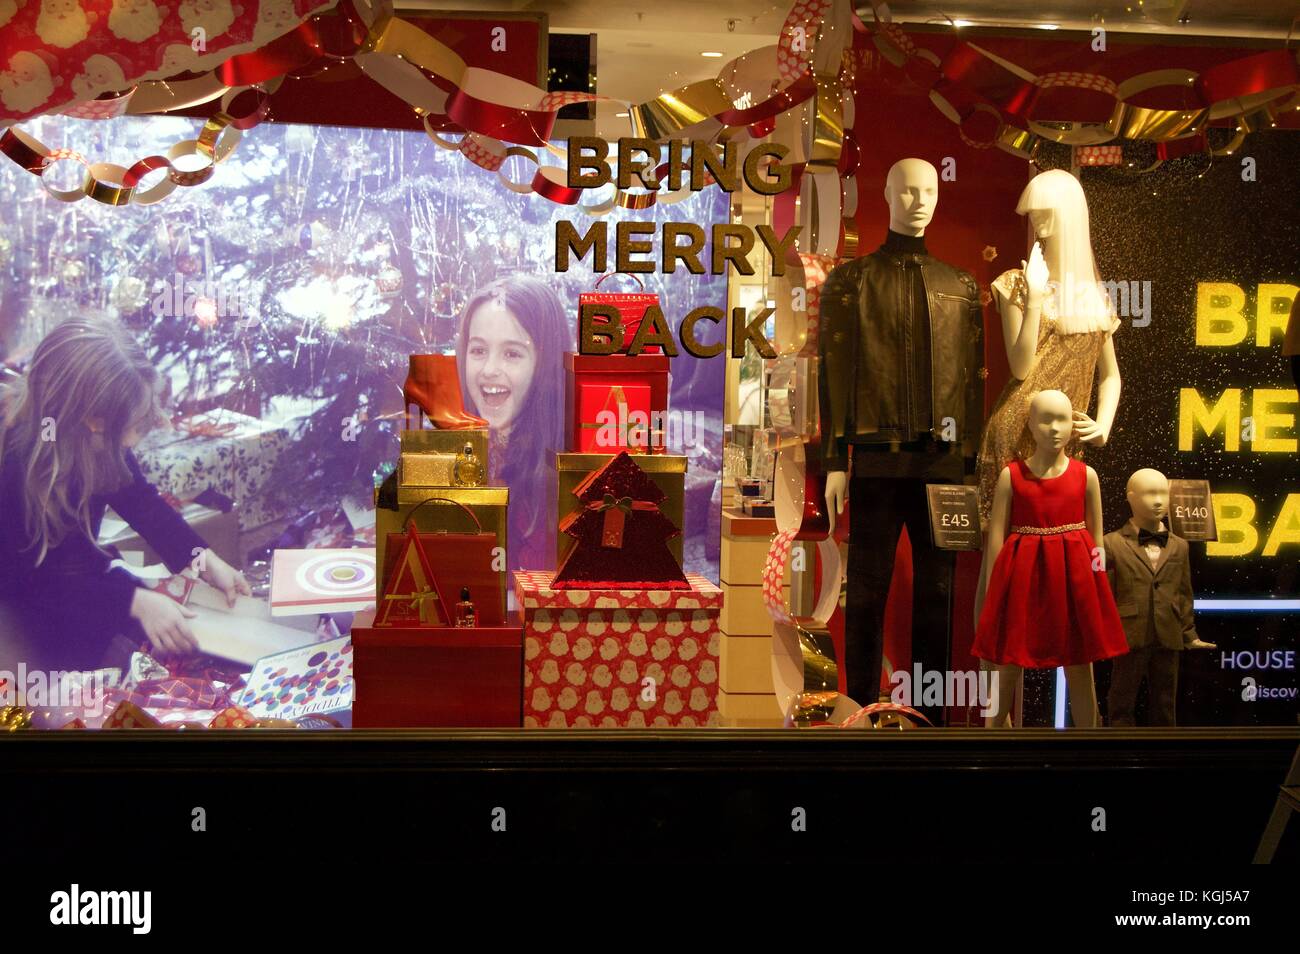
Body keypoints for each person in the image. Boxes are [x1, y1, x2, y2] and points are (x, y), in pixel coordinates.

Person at [0, 318, 249, 672]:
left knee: (155, 631)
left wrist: (203, 559)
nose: (134, 439)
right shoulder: (14, 467)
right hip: (24, 612)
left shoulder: (100, 439)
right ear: (92, 420)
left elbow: (142, 503)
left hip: (79, 582)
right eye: (133, 426)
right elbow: (29, 586)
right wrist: (134, 601)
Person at [455, 275, 570, 572]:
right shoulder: (457, 452)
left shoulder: (565, 474)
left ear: (545, 365)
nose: (489, 369)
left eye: (512, 354)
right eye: (478, 350)